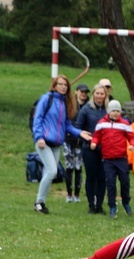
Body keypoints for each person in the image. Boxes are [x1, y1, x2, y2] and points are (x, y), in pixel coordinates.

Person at [32, 74, 92, 214]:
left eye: (65, 85)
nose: (63, 87)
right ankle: (39, 202)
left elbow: (67, 125)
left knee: (50, 172)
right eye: (60, 84)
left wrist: (80, 133)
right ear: (54, 85)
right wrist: (39, 137)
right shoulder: (47, 99)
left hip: (55, 144)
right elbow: (38, 119)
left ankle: (41, 203)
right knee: (52, 170)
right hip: (44, 142)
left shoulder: (64, 103)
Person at [91, 100, 134, 218]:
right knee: (110, 183)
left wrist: (132, 145)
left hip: (121, 158)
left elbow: (132, 138)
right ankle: (112, 206)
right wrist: (94, 143)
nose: (116, 113)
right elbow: (96, 136)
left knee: (125, 182)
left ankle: (126, 202)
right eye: (113, 111)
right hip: (108, 159)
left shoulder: (125, 124)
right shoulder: (101, 123)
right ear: (108, 112)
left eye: (118, 111)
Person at [76, 83, 108, 215]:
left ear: (105, 95)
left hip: (106, 150)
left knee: (102, 177)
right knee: (91, 177)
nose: (99, 96)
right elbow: (78, 127)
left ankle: (99, 205)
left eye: (102, 93)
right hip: (89, 149)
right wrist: (88, 139)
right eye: (97, 93)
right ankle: (91, 205)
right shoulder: (86, 109)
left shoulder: (109, 109)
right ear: (93, 94)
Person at [63, 83, 90, 203]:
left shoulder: (89, 106)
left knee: (79, 168)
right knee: (69, 167)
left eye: (85, 92)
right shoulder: (70, 104)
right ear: (76, 92)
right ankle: (69, 194)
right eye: (81, 92)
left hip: (81, 142)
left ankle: (77, 195)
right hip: (68, 140)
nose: (83, 94)